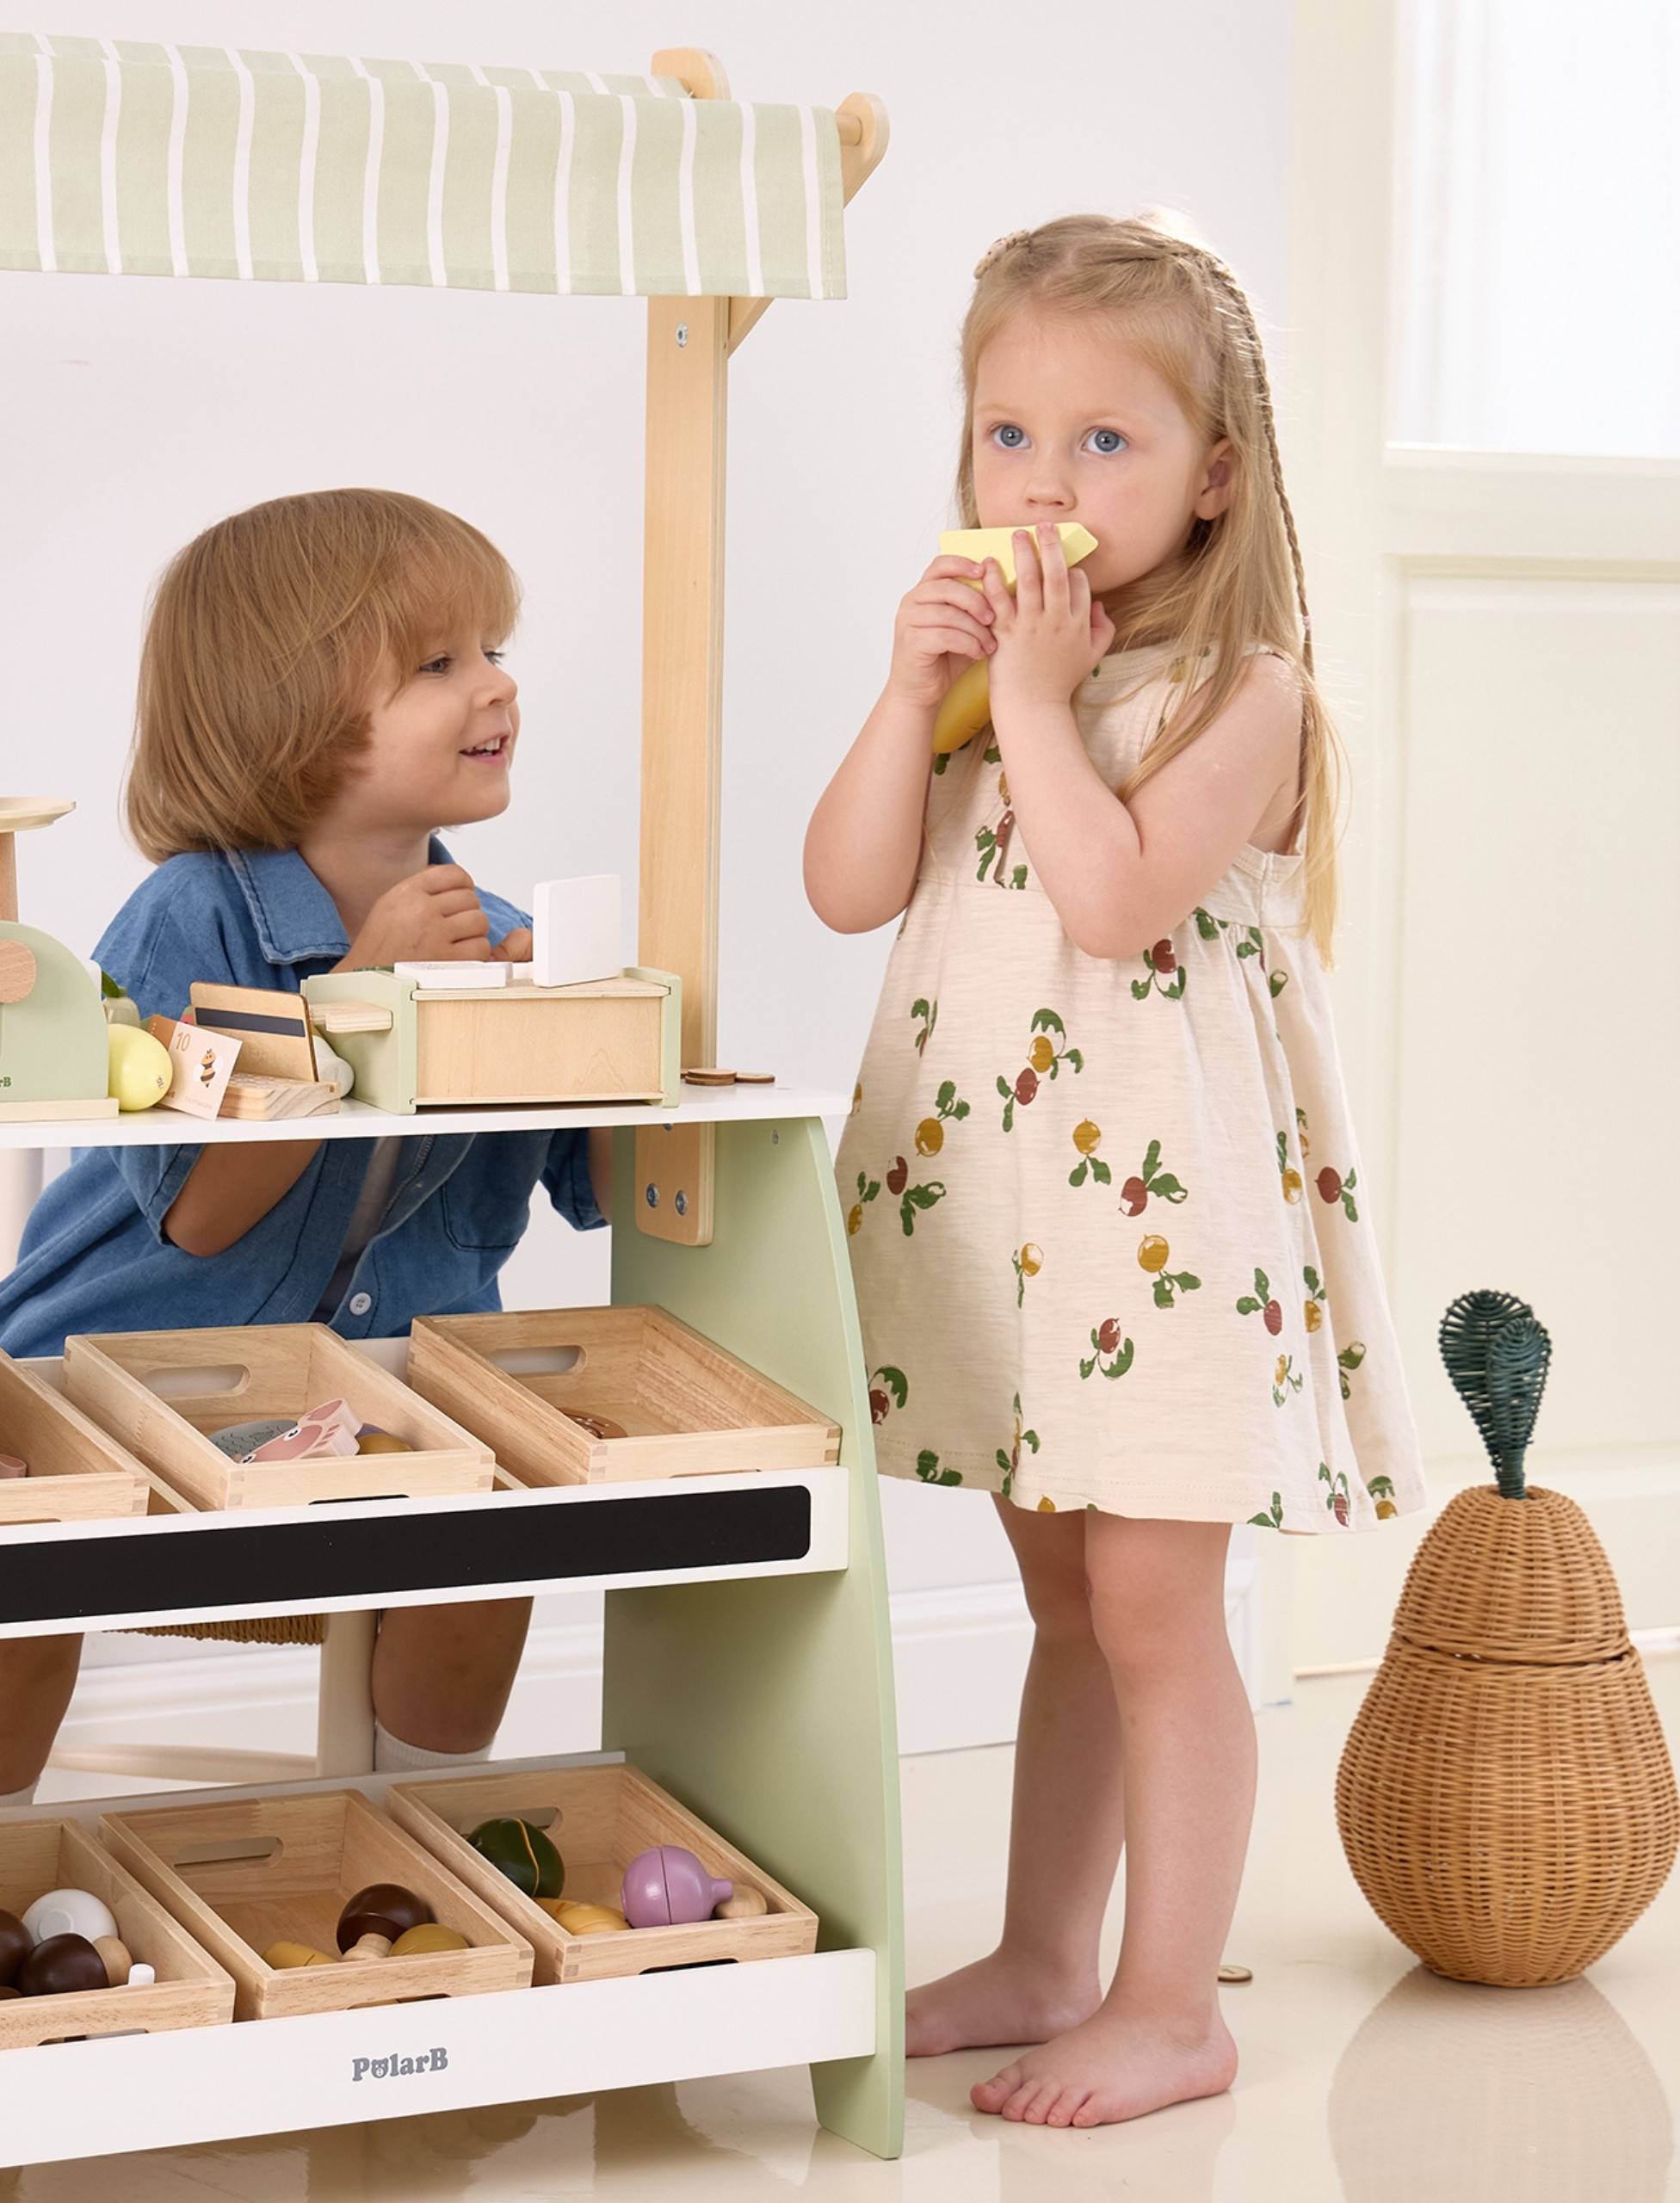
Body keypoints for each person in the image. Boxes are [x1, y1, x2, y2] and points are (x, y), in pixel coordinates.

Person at [806, 215, 1423, 2127]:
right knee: (1066, 1604)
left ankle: (1172, 2006)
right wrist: (909, 700)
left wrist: (1035, 710)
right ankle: (1043, 1951)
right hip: (1011, 1221)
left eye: (1103, 442)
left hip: (1159, 1234)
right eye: (1008, 435)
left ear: (1211, 473)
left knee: (1156, 1607)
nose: (1043, 484)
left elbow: (1111, 896)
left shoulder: (1244, 689)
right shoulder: (992, 675)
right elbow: (844, 887)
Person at [0, 488, 607, 1811]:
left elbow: (609, 1188)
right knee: (12, 1558)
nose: (497, 686)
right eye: (439, 663)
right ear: (288, 714)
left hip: (390, 1394)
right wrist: (354, 999)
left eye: (495, 649)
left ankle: (414, 1837)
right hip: (125, 1367)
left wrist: (587, 1029)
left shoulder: (498, 935)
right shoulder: (188, 916)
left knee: (498, 1540)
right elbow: (201, 1215)